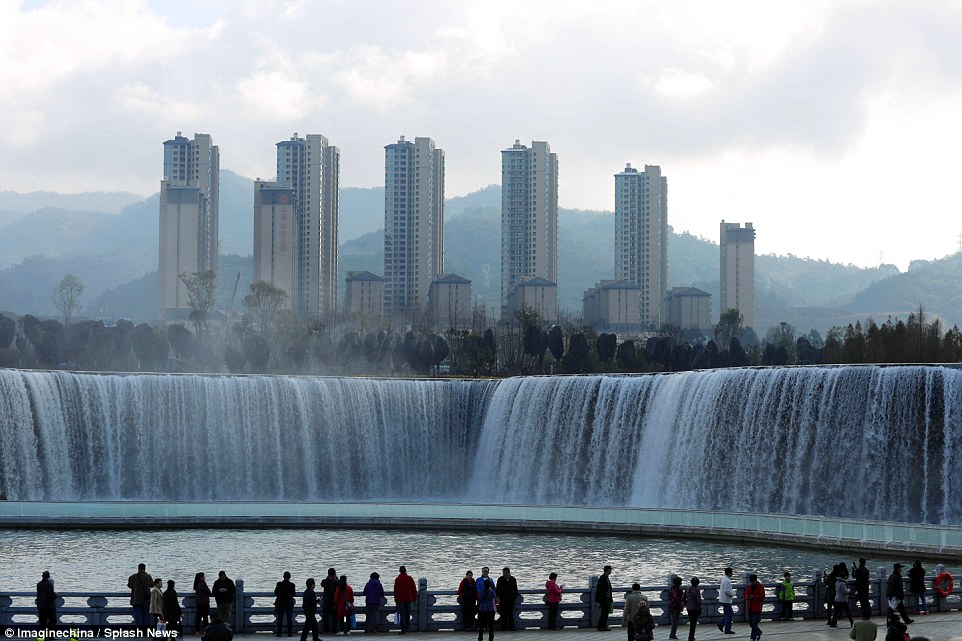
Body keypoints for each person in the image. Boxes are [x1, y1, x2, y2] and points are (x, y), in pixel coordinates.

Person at [128, 563, 154, 632]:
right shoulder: (148, 576)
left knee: (138, 616)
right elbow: (152, 585)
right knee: (146, 616)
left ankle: (139, 631)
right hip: (146, 599)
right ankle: (146, 631)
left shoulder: (133, 577)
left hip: (136, 599)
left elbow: (129, 585)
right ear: (144, 568)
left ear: (138, 568)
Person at [393, 566, 418, 634]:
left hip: (401, 599)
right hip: (409, 599)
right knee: (408, 614)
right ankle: (407, 627)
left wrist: (396, 600)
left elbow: (396, 591)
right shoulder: (410, 578)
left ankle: (403, 629)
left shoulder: (398, 579)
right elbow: (414, 589)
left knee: (402, 615)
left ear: (399, 571)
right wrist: (414, 598)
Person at [495, 567, 519, 632]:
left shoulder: (513, 579)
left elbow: (515, 589)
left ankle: (512, 626)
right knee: (503, 614)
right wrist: (497, 597)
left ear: (508, 572)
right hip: (502, 599)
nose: (504, 574)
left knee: (510, 613)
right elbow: (497, 589)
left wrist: (513, 597)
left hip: (511, 599)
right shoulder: (500, 579)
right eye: (503, 573)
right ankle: (503, 627)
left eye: (505, 573)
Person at [276, 571, 297, 637]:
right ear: (290, 577)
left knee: (280, 618)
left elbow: (276, 592)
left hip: (281, 603)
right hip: (289, 603)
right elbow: (294, 594)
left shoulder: (279, 584)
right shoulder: (292, 585)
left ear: (283, 577)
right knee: (289, 618)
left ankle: (279, 633)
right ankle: (289, 633)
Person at [744, 574, 765, 641]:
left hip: (756, 608)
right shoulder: (748, 586)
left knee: (754, 623)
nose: (752, 582)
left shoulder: (760, 587)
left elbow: (762, 597)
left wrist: (754, 597)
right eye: (751, 581)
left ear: (756, 580)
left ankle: (752, 638)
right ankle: (759, 632)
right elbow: (745, 595)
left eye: (753, 581)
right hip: (749, 607)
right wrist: (746, 597)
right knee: (751, 624)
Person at [476, 575, 496, 641]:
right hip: (490, 609)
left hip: (482, 609)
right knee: (491, 625)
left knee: (481, 624)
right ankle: (491, 638)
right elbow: (494, 596)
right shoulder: (492, 592)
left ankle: (480, 637)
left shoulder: (481, 591)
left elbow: (479, 597)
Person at [717, 567, 734, 634]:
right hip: (726, 600)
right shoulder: (727, 580)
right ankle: (727, 629)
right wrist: (733, 593)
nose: (732, 574)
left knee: (728, 614)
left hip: (724, 599)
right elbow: (727, 591)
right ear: (729, 573)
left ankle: (721, 624)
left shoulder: (724, 579)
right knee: (729, 615)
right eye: (731, 572)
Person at [595, 565, 613, 631]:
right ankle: (600, 626)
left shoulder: (606, 577)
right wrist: (602, 599)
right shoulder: (602, 578)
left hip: (607, 598)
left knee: (606, 613)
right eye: (610, 570)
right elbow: (600, 590)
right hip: (603, 599)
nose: (610, 571)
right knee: (603, 612)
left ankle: (604, 625)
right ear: (606, 570)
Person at [322, 569, 339, 634]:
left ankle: (326, 630)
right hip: (334, 601)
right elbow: (339, 584)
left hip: (326, 601)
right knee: (334, 616)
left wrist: (327, 578)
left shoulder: (325, 581)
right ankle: (334, 630)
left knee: (326, 616)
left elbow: (322, 584)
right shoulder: (337, 581)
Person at [683, 577, 701, 641]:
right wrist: (698, 606)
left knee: (691, 621)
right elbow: (698, 600)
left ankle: (690, 636)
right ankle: (691, 637)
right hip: (695, 608)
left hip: (689, 608)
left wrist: (686, 604)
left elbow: (683, 598)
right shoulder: (697, 590)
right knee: (694, 623)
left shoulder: (687, 589)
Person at [667, 576, 684, 640]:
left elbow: (669, 597)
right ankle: (672, 634)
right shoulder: (679, 590)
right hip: (676, 607)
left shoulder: (671, 589)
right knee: (675, 621)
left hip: (670, 606)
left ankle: (672, 633)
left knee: (673, 620)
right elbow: (680, 599)